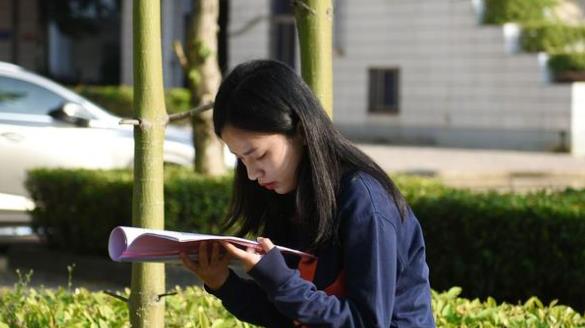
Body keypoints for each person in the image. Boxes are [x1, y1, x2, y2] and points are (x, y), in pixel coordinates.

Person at [180, 59, 435, 327]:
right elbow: (289, 315)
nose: (253, 174)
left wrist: (280, 281)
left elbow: (368, 321)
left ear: (301, 131)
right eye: (241, 160)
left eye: (259, 155)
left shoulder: (365, 201)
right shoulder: (287, 196)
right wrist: (222, 283)